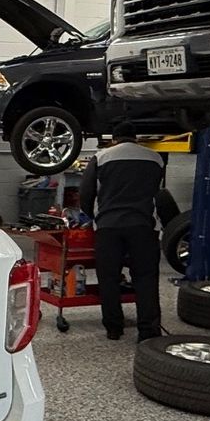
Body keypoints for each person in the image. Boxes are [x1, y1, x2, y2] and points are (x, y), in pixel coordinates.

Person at [76, 123, 178, 341]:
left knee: (109, 278)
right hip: (143, 227)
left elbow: (85, 193)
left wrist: (94, 217)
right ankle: (148, 331)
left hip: (108, 228)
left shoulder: (101, 157)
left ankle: (114, 328)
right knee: (146, 278)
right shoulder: (156, 158)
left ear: (114, 138)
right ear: (135, 138)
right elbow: (158, 193)